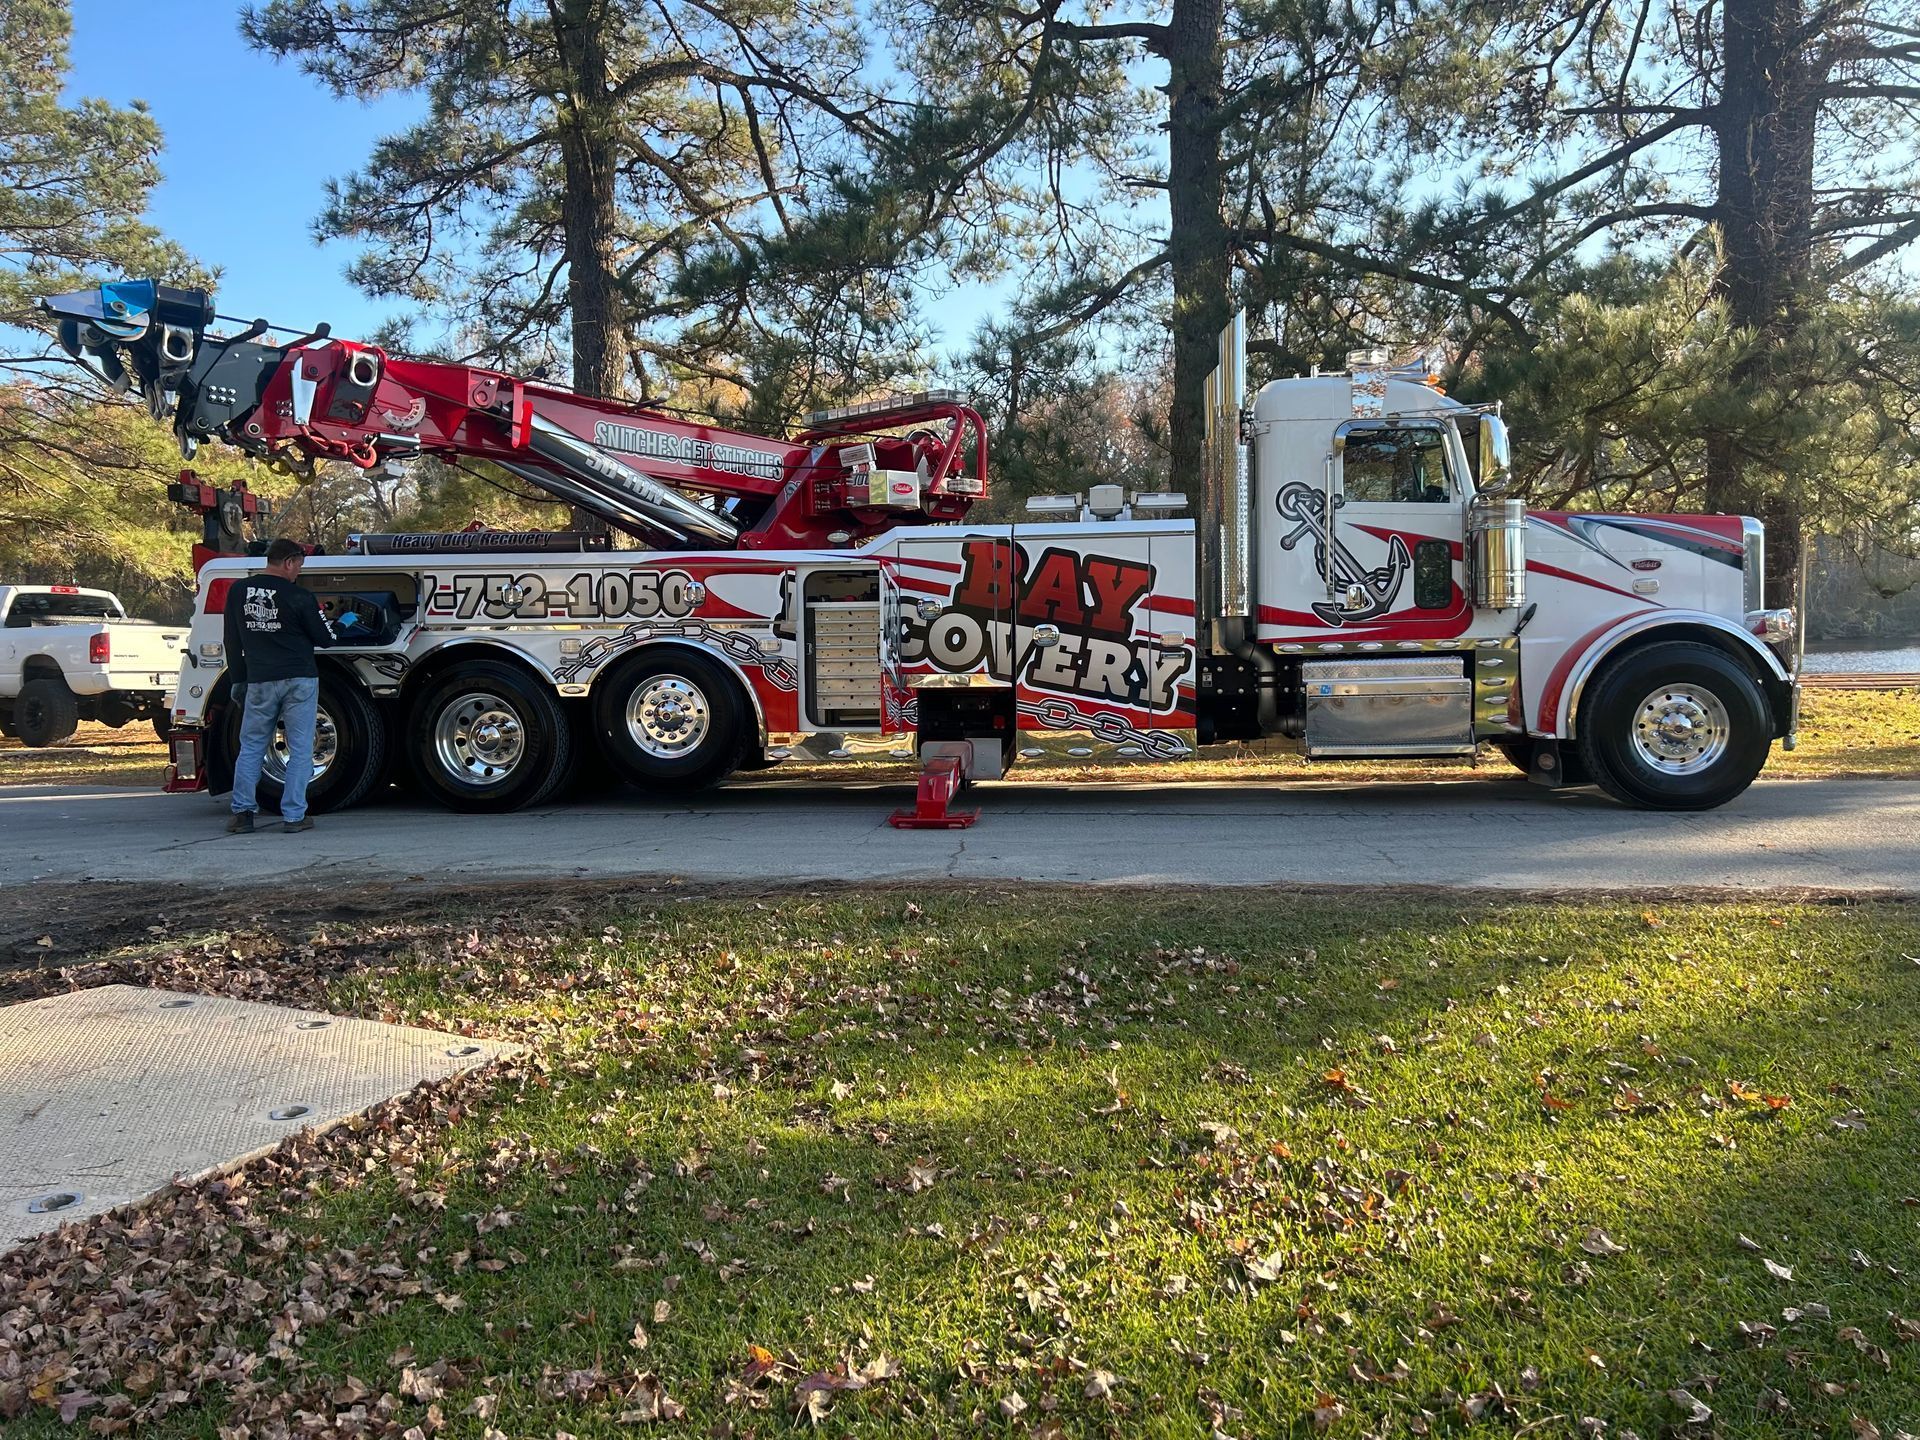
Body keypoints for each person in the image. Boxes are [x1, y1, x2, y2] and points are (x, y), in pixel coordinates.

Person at [223, 538, 362, 834]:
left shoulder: (238, 591)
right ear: (288, 562)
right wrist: (344, 622)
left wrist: (238, 680)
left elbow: (232, 641)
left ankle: (242, 814)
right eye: (299, 564)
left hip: (259, 680)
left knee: (251, 748)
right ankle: (294, 816)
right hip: (299, 680)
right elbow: (325, 639)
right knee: (300, 749)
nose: (299, 571)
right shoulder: (299, 596)